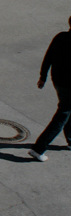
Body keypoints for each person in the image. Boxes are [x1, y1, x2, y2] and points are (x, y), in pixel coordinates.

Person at [28, 15, 71, 162]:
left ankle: (70, 140)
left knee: (67, 110)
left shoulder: (60, 37)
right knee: (62, 115)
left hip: (58, 82)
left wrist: (43, 76)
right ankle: (38, 149)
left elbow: (48, 57)